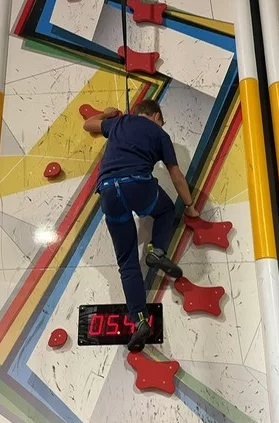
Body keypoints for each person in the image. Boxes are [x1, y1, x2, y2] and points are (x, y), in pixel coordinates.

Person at [83, 99, 199, 352]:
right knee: (166, 209)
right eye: (161, 121)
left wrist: (107, 113)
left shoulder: (118, 123)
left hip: (108, 192)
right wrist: (190, 205)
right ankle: (156, 251)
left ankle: (139, 320)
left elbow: (88, 125)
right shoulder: (160, 134)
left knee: (127, 262)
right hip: (137, 185)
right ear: (156, 115)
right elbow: (176, 175)